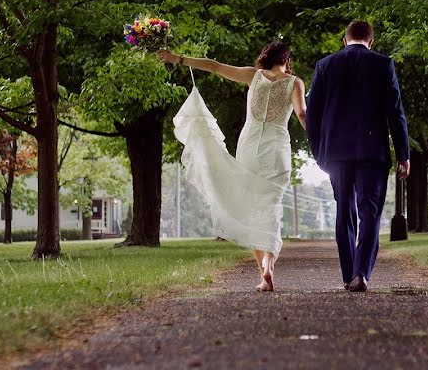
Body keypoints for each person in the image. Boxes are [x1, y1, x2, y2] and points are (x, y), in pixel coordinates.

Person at [159, 42, 307, 292]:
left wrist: (178, 59)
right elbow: (302, 114)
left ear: (266, 57)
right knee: (271, 206)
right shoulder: (295, 83)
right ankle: (269, 264)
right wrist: (322, 141)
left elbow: (215, 67)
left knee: (251, 207)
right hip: (276, 148)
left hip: (249, 146)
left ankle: (263, 273)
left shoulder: (253, 75)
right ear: (287, 60)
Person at [306, 21, 410, 293]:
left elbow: (312, 115)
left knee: (345, 212)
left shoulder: (325, 65)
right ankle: (361, 273)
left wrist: (319, 153)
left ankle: (347, 274)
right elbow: (395, 112)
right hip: (372, 151)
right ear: (371, 42)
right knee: (370, 212)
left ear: (345, 40)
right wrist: (403, 154)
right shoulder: (383, 64)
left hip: (336, 155)